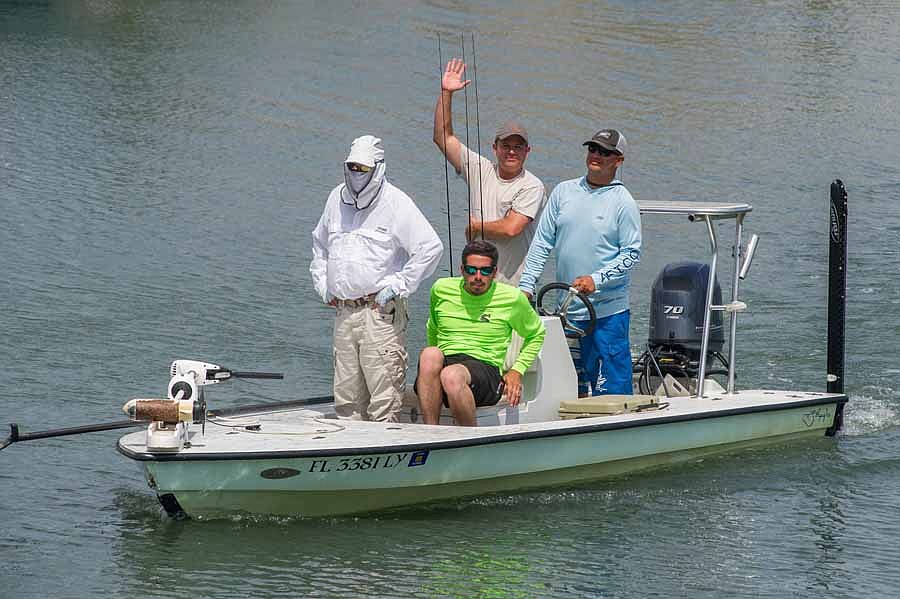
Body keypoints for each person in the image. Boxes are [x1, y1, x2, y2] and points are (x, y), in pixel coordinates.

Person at [310, 135, 443, 422]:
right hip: (344, 311)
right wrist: (323, 285)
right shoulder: (336, 198)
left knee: (384, 398)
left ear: (378, 168)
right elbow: (319, 245)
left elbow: (430, 248)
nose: (357, 174)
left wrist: (398, 285)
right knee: (346, 399)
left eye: (363, 168)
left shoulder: (396, 202)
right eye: (353, 167)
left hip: (379, 313)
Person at [519, 129, 641, 397]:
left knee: (610, 396)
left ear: (618, 160)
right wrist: (526, 285)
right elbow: (541, 243)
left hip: (607, 316)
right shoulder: (563, 192)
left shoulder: (623, 202)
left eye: (605, 152)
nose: (596, 155)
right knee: (565, 392)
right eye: (593, 149)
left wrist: (596, 279)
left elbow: (631, 253)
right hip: (564, 314)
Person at [433, 58, 547, 285]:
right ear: (495, 148)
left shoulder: (532, 186)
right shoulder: (480, 169)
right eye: (506, 146)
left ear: (528, 151)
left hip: (512, 288)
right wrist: (446, 93)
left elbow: (511, 228)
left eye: (518, 147)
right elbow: (443, 138)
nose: (511, 152)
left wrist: (477, 227)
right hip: (475, 284)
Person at [416, 240, 546, 426]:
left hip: (486, 369)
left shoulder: (512, 298)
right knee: (429, 354)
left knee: (451, 376)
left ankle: (469, 440)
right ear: (462, 270)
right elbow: (433, 328)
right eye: (471, 270)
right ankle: (431, 433)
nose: (478, 276)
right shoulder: (440, 289)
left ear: (494, 272)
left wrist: (517, 370)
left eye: (485, 271)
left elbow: (537, 334)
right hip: (449, 360)